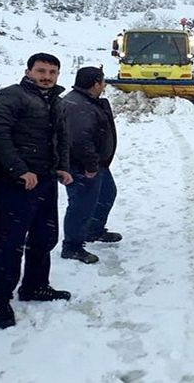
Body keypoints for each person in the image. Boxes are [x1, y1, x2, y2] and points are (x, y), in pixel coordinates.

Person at [0, 52, 74, 329]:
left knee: (44, 237)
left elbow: (61, 137)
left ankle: (35, 285)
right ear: (28, 71)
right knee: (10, 243)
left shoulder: (56, 102)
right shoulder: (10, 97)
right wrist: (19, 170)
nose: (46, 77)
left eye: (52, 72)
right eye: (41, 71)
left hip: (45, 180)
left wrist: (63, 166)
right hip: (16, 183)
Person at [60, 66, 121, 265]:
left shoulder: (84, 101)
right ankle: (72, 246)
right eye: (102, 82)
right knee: (81, 205)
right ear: (96, 84)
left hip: (96, 163)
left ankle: (93, 231)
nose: (104, 86)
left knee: (106, 194)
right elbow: (79, 140)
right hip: (82, 165)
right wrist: (91, 165)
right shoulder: (79, 106)